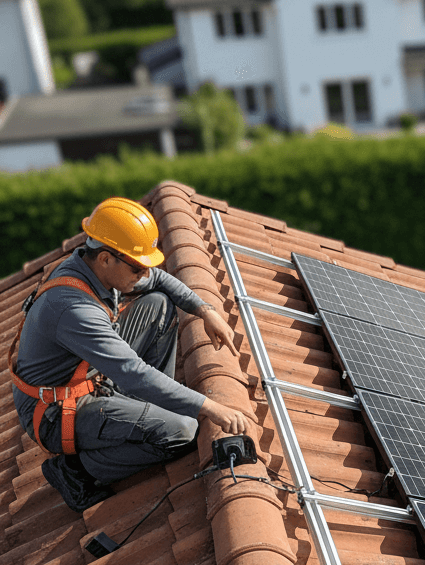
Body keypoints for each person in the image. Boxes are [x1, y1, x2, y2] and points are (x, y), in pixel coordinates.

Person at [11, 196, 250, 512]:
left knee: (159, 304)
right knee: (182, 430)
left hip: (85, 374)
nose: (143, 274)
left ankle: (151, 405)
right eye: (137, 268)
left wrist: (205, 310)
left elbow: (158, 279)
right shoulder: (73, 309)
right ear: (106, 258)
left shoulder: (93, 265)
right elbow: (133, 373)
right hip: (55, 411)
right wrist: (210, 407)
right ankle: (74, 472)